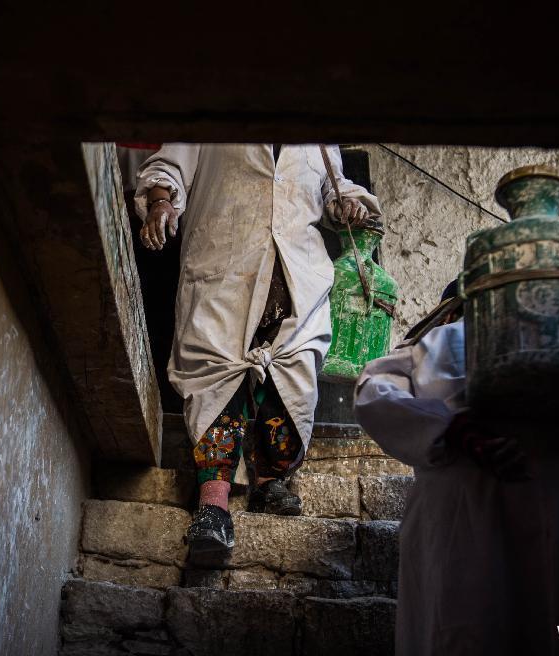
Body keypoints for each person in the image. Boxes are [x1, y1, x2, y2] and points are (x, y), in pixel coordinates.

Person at [354, 282, 559, 656]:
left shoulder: (435, 343)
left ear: (451, 312)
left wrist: (450, 427)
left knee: (471, 627)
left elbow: (372, 393)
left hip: (467, 509)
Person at [135, 144, 381, 554]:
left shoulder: (318, 139)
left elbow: (333, 188)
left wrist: (348, 204)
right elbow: (167, 168)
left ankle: (271, 481)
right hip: (225, 265)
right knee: (217, 378)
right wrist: (162, 202)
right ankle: (213, 504)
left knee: (291, 372)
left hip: (295, 273)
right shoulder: (209, 117)